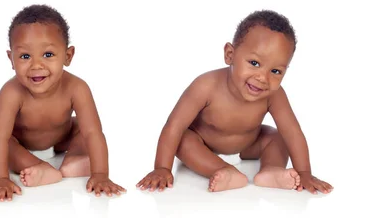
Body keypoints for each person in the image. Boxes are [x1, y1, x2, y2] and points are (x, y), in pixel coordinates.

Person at [137, 10, 334, 194]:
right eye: (254, 63)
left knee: (278, 136)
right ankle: (224, 170)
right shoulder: (205, 86)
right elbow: (174, 126)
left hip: (248, 144)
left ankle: (271, 170)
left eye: (275, 71)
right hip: (203, 144)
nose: (263, 78)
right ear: (230, 55)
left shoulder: (275, 95)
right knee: (182, 139)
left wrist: (305, 173)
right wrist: (162, 168)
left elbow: (293, 132)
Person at [0, 4, 126, 202]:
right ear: (11, 59)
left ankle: (73, 161)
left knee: (83, 129)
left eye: (48, 54)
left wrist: (101, 174)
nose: (36, 65)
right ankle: (39, 167)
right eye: (25, 56)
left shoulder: (77, 88)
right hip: (22, 143)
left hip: (62, 138)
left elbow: (93, 133)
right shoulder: (11, 92)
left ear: (68, 56)